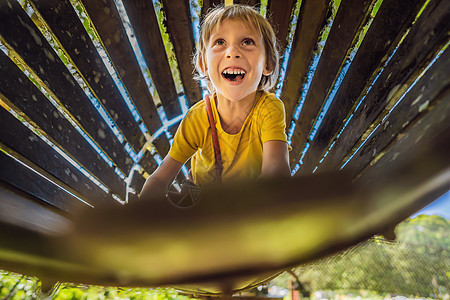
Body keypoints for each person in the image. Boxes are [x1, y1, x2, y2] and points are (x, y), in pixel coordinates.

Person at [140, 4, 290, 201]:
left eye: (247, 42)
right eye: (220, 42)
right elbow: (160, 178)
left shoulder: (269, 108)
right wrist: (141, 214)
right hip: (201, 202)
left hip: (251, 202)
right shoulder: (197, 118)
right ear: (203, 65)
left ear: (267, 63)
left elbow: (276, 168)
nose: (233, 52)